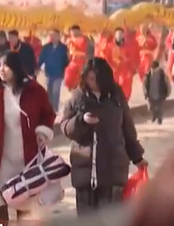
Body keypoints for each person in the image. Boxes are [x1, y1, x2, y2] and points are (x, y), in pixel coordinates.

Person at [58, 57, 148, 215]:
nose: (91, 82)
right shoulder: (78, 97)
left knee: (110, 220)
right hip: (85, 170)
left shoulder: (116, 98)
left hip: (113, 170)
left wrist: (138, 158)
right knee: (87, 222)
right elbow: (65, 126)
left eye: (95, 79)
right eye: (88, 78)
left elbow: (127, 130)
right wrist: (82, 121)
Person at [0, 51, 56, 221]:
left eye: (6, 65)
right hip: (3, 155)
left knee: (24, 196)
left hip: (27, 154)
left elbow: (48, 113)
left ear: (16, 67)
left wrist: (42, 131)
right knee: (0, 197)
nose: (2, 69)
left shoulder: (34, 91)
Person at [38, 29, 70, 111]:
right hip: (49, 73)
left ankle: (55, 110)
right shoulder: (46, 47)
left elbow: (67, 61)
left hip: (59, 74)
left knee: (56, 92)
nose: (53, 37)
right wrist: (37, 67)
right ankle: (49, 109)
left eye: (55, 35)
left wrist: (64, 68)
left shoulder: (63, 48)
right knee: (49, 93)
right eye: (51, 35)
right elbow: (41, 59)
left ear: (59, 36)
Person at [143, 60, 171, 124]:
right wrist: (145, 92)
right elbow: (144, 84)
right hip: (150, 94)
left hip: (160, 94)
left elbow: (167, 83)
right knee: (151, 107)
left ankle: (159, 119)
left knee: (159, 107)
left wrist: (168, 92)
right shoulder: (148, 75)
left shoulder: (162, 75)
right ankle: (154, 115)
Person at [64, 25, 89, 90]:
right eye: (72, 31)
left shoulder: (84, 39)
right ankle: (72, 88)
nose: (73, 33)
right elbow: (68, 52)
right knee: (68, 78)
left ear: (79, 31)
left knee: (80, 80)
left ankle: (77, 89)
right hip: (72, 63)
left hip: (81, 63)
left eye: (75, 31)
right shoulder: (69, 40)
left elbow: (85, 51)